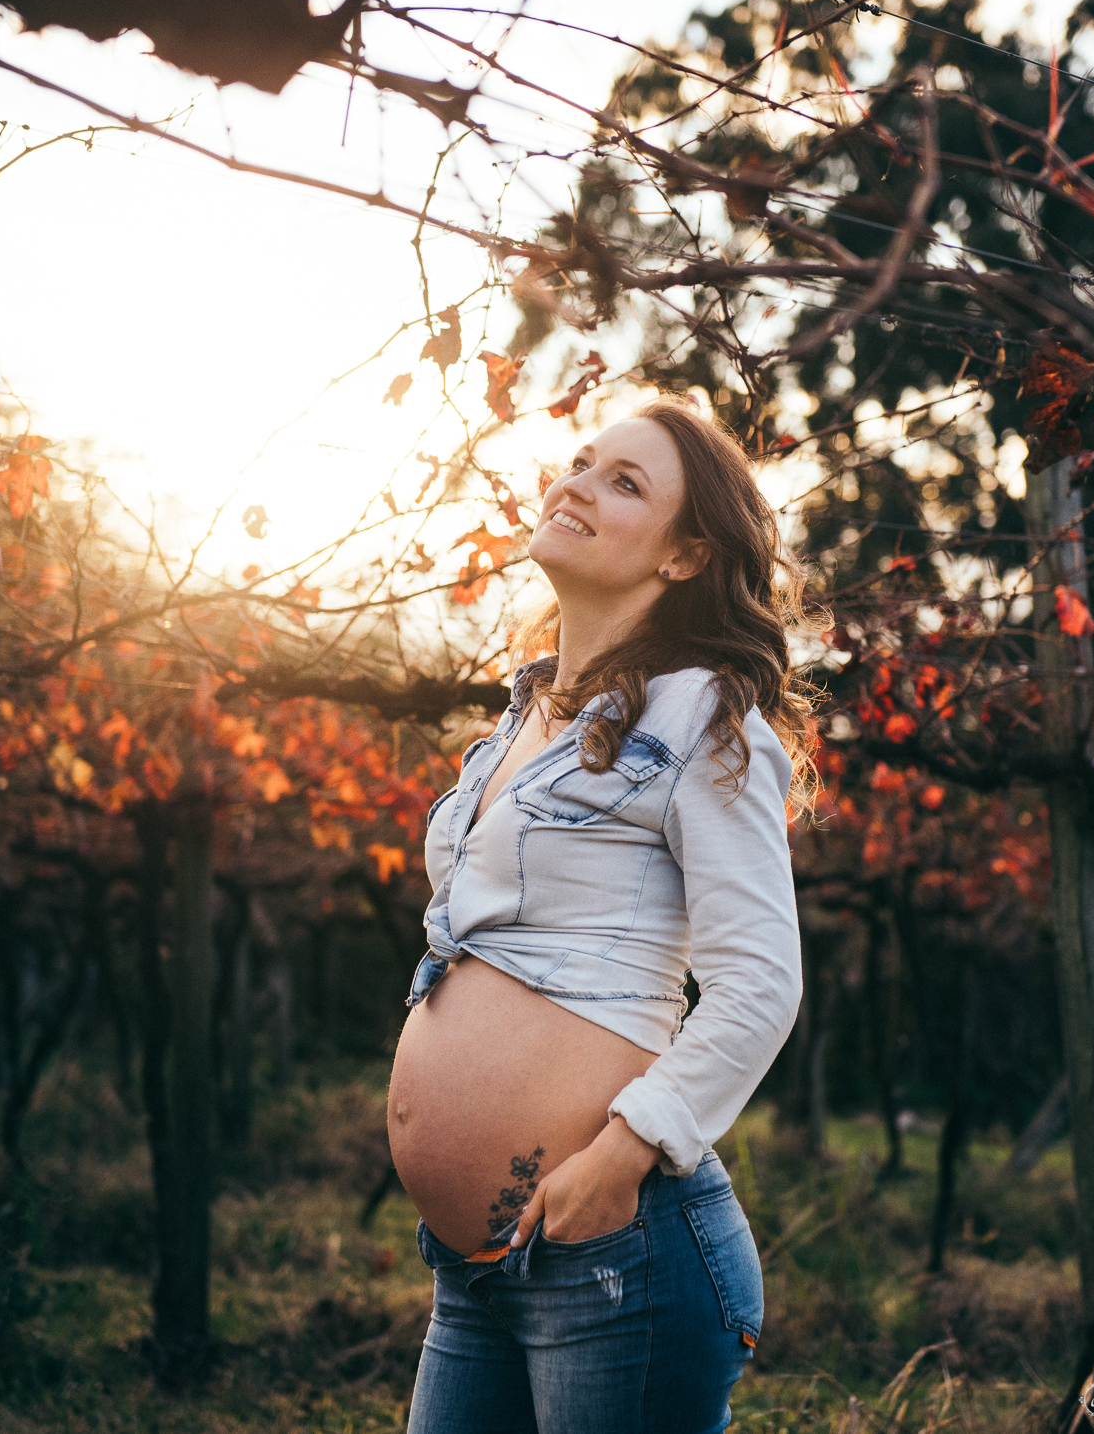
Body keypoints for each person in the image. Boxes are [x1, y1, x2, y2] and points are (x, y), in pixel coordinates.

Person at [389, 398, 816, 1434]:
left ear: (685, 556)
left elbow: (761, 979)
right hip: (476, 1269)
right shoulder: (521, 717)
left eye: (625, 480)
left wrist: (621, 1154)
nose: (576, 481)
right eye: (580, 460)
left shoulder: (704, 711)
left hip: (614, 1253)